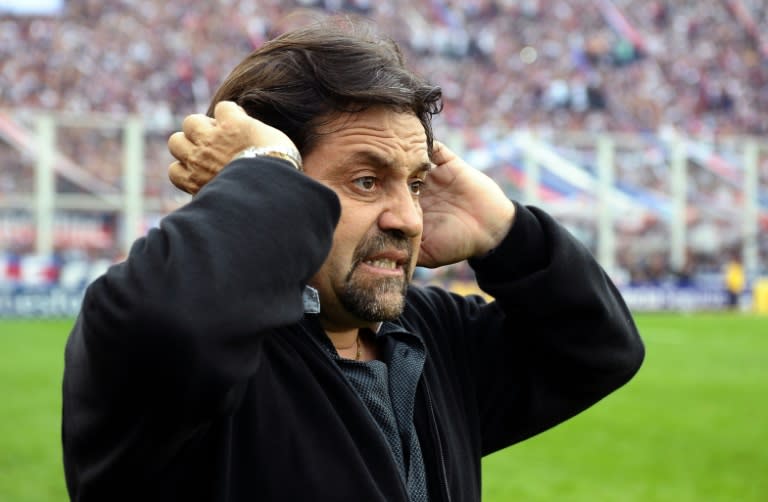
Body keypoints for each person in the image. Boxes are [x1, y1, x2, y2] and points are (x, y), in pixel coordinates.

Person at [62, 19, 644, 502]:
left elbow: (596, 349)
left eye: (415, 184)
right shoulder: (174, 368)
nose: (409, 219)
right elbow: (169, 323)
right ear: (268, 185)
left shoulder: (430, 335)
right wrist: (261, 170)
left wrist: (508, 233)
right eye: (367, 180)